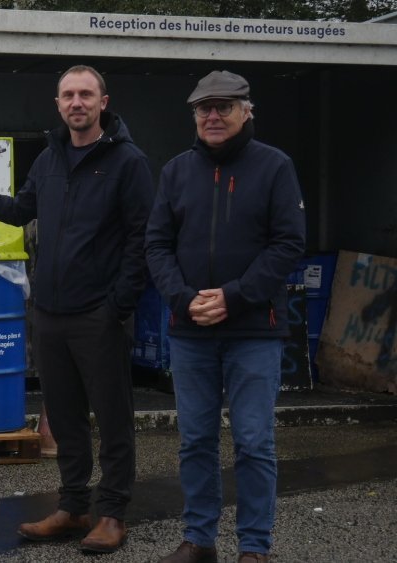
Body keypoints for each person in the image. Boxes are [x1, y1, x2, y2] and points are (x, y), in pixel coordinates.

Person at [0, 65, 153, 554]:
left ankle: (114, 514)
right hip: (51, 313)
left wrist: (118, 304)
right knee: (64, 417)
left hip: (99, 314)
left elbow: (143, 239)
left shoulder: (128, 162)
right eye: (67, 95)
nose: (76, 102)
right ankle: (74, 506)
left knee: (113, 418)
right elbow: (20, 211)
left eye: (85, 94)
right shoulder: (50, 158)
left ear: (103, 102)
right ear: (58, 104)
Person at [145, 71, 306, 563]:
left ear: (246, 111)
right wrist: (181, 297)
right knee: (195, 441)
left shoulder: (275, 167)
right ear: (194, 115)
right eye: (203, 108)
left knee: (254, 442)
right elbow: (156, 244)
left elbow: (288, 243)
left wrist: (234, 297)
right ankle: (199, 540)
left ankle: (254, 548)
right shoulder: (175, 171)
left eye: (224, 106)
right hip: (191, 330)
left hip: (254, 330)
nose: (213, 116)